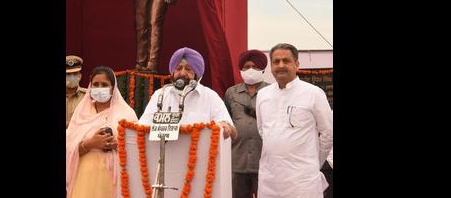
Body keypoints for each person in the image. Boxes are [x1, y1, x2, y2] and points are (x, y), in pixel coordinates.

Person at [256, 43, 333, 198]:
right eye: (276, 62)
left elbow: (328, 133)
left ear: (297, 64)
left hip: (302, 181)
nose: (281, 65)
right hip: (269, 179)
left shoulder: (313, 93)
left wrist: (312, 163)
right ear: (271, 66)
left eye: (286, 60)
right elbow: (263, 131)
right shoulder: (263, 95)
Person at [66, 66, 139, 198]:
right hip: (83, 177)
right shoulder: (81, 113)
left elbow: (138, 148)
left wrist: (117, 145)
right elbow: (68, 147)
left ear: (113, 88)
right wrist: (89, 144)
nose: (99, 88)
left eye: (104, 84)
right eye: (95, 84)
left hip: (113, 179)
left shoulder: (126, 114)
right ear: (90, 87)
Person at [139, 47, 236, 139]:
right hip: (165, 154)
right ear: (172, 72)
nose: (182, 73)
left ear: (197, 74)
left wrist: (226, 126)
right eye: (178, 68)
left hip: (200, 155)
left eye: (188, 69)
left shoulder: (210, 96)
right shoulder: (160, 94)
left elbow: (231, 131)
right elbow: (142, 126)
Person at [224, 49, 270, 198]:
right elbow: (226, 121)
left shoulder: (272, 91)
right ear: (241, 70)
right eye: (246, 66)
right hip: (237, 161)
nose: (250, 70)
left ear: (262, 70)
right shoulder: (231, 93)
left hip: (265, 162)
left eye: (255, 67)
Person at [66, 55, 87, 128]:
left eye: (75, 74)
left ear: (80, 76)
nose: (72, 77)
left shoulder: (87, 95)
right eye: (68, 74)